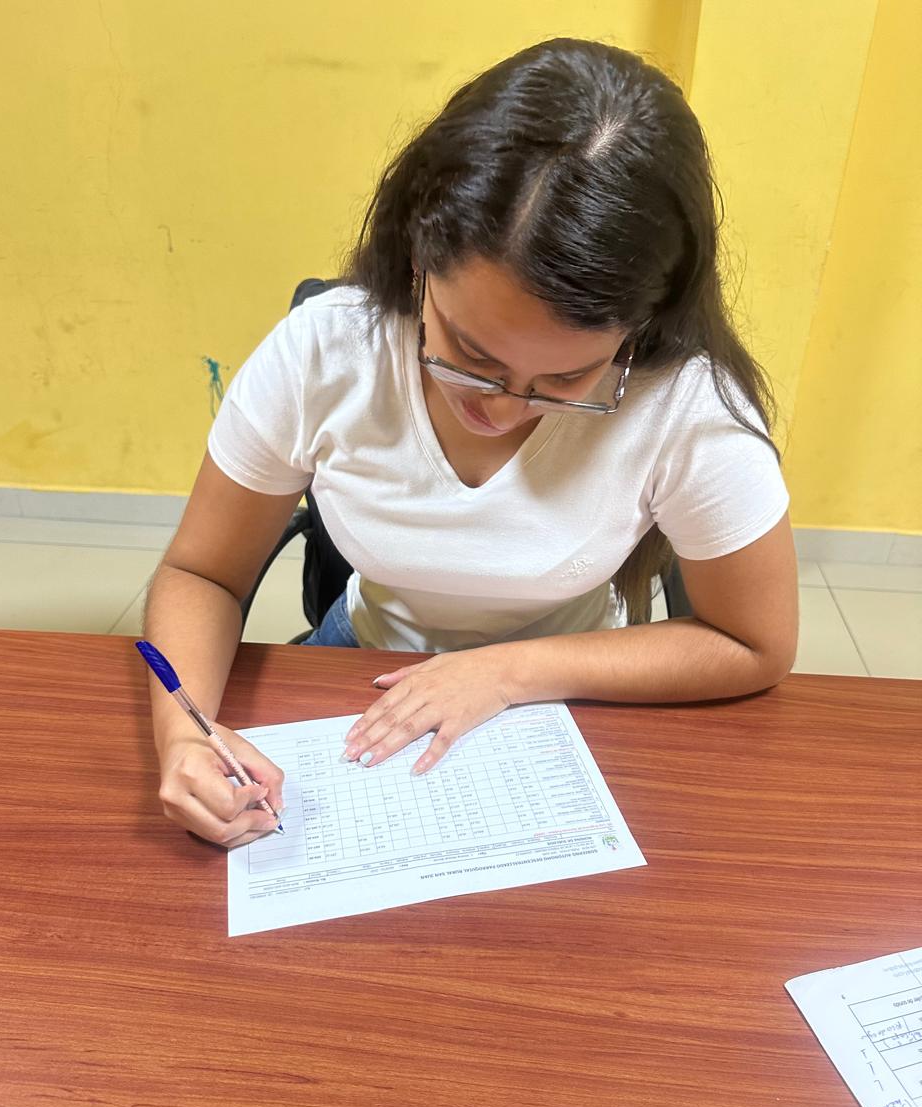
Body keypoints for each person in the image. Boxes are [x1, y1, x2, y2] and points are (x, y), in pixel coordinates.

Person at [144, 38, 797, 848]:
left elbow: (753, 643)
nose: (504, 408)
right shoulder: (328, 352)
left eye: (564, 378)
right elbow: (202, 573)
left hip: (581, 683)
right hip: (365, 661)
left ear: (639, 329)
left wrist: (508, 672)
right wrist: (185, 734)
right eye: (470, 355)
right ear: (421, 257)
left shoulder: (686, 404)